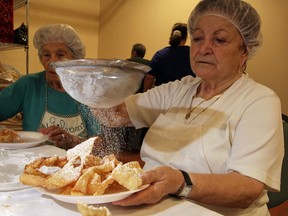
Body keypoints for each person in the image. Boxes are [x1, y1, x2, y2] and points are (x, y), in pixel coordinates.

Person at [92, 0, 284, 215]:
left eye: (219, 40)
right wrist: (89, 85)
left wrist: (181, 182)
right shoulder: (178, 90)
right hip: (154, 208)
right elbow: (115, 115)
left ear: (245, 51)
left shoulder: (259, 101)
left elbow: (247, 188)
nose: (204, 48)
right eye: (198, 37)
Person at [0, 24, 101, 149]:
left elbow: (102, 143)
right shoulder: (28, 85)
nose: (52, 61)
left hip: (78, 165)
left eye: (60, 55)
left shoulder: (90, 91)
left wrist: (74, 141)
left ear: (74, 58)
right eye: (47, 55)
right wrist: (6, 135)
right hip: (31, 164)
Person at [143, 22, 195, 92]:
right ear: (185, 38)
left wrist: (145, 93)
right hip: (186, 95)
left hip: (162, 96)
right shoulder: (194, 54)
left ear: (172, 36)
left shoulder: (160, 55)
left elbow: (149, 78)